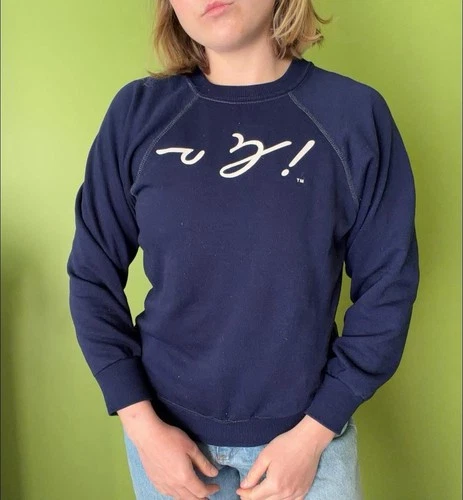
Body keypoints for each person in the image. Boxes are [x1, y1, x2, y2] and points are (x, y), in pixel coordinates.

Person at [66, 0, 420, 498]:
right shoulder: (137, 114)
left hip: (309, 443)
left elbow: (389, 285)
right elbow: (91, 275)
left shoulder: (353, 114)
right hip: (165, 441)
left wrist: (314, 433)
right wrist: (143, 429)